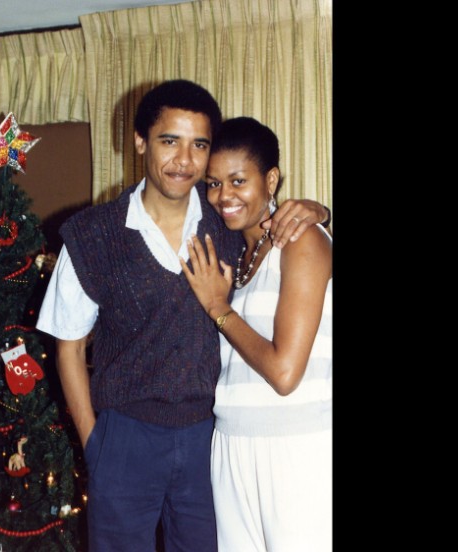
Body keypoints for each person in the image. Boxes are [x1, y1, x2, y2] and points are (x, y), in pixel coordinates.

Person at [36, 80, 329, 552]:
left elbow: (286, 231)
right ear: (139, 142)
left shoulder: (227, 221)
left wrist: (317, 210)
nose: (185, 161)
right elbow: (68, 346)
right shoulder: (94, 234)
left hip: (208, 440)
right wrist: (97, 445)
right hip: (125, 436)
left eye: (199, 145)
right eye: (169, 141)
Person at [180, 116, 332, 551]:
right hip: (231, 444)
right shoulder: (236, 253)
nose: (223, 196)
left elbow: (285, 373)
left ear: (271, 179)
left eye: (238, 181)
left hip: (296, 447)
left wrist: (218, 308)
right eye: (212, 183)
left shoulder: (303, 242)